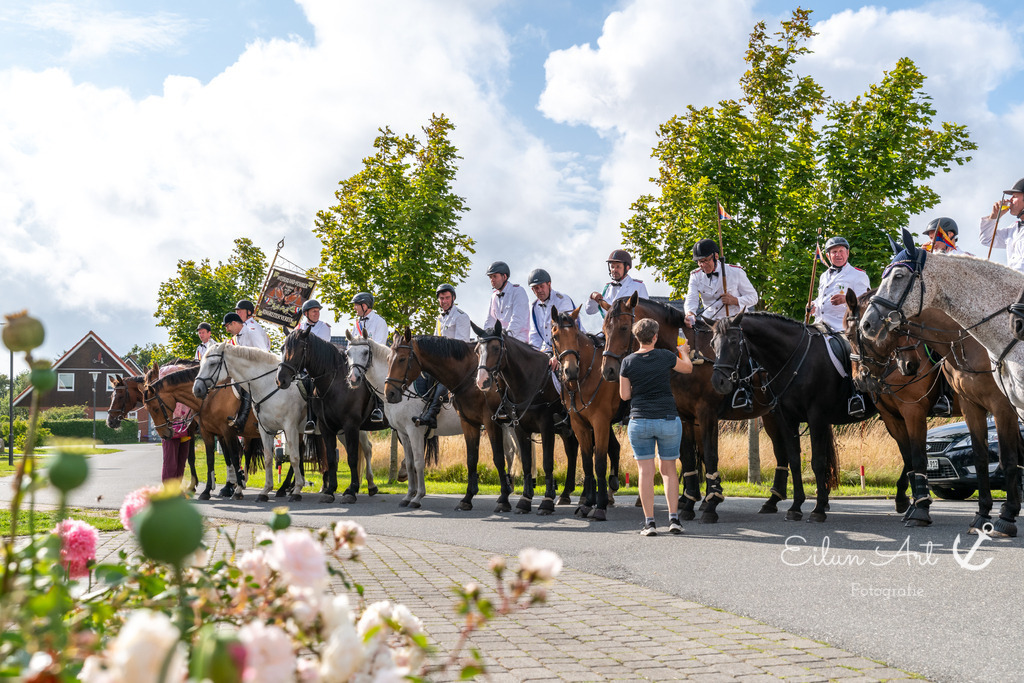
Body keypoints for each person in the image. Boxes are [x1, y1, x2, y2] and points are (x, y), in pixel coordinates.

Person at [619, 318, 692, 536]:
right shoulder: (666, 356)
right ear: (655, 337)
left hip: (640, 421)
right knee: (669, 471)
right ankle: (674, 520)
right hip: (668, 419)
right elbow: (687, 368)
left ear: (637, 338)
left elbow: (624, 395)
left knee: (645, 472)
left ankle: (649, 523)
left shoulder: (628, 362)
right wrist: (684, 352)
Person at [415, 284, 471, 429]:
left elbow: (461, 346)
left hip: (457, 361)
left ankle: (432, 415)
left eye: (447, 298)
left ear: (453, 298)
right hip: (441, 362)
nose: (444, 301)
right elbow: (435, 341)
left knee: (443, 379)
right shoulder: (439, 318)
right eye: (441, 298)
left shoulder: (461, 317)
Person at [683, 240, 759, 326]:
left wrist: (735, 300)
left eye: (706, 260)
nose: (703, 265)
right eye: (700, 262)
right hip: (710, 323)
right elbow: (691, 298)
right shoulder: (695, 276)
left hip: (734, 324)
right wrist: (690, 313)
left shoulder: (736, 272)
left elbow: (753, 298)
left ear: (716, 256)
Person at [807, 236, 871, 331]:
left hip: (841, 328)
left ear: (847, 253)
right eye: (834, 252)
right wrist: (813, 305)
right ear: (828, 256)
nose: (838, 255)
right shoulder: (824, 276)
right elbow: (822, 298)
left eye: (841, 251)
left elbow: (866, 303)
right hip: (819, 325)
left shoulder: (859, 275)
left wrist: (846, 299)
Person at [528, 268, 582, 369]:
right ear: (532, 290)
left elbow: (566, 332)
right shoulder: (534, 307)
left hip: (572, 346)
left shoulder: (562, 300)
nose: (539, 290)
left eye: (541, 286)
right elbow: (535, 336)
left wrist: (556, 356)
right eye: (536, 288)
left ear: (549, 285)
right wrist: (533, 356)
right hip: (550, 349)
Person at [350, 292, 387, 422]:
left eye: (356, 305)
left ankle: (379, 408)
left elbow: (379, 344)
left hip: (375, 361)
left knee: (373, 378)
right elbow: (352, 342)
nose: (354, 308)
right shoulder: (356, 323)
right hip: (359, 360)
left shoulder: (379, 322)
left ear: (364, 305)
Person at [298, 299, 331, 433]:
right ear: (306, 313)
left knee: (312, 383)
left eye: (318, 311)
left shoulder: (324, 327)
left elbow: (318, 347)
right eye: (314, 311)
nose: (317, 314)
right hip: (303, 367)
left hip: (319, 368)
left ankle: (311, 420)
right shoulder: (299, 327)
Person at [586, 249, 648, 316]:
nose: (614, 270)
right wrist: (592, 296)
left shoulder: (638, 286)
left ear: (627, 268)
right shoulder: (607, 288)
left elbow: (645, 313)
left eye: (618, 267)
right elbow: (589, 311)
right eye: (612, 267)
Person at [981, 177, 1024, 273]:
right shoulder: (1013, 229)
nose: (1010, 200)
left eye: (1014, 196)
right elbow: (987, 239)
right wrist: (994, 217)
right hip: (1013, 280)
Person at [484, 261, 530, 342]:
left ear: (504, 277)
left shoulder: (518, 291)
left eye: (495, 276)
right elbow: (490, 320)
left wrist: (507, 336)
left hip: (518, 340)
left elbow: (518, 319)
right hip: (501, 340)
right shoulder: (494, 296)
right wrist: (485, 335)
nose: (492, 280)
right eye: (490, 277)